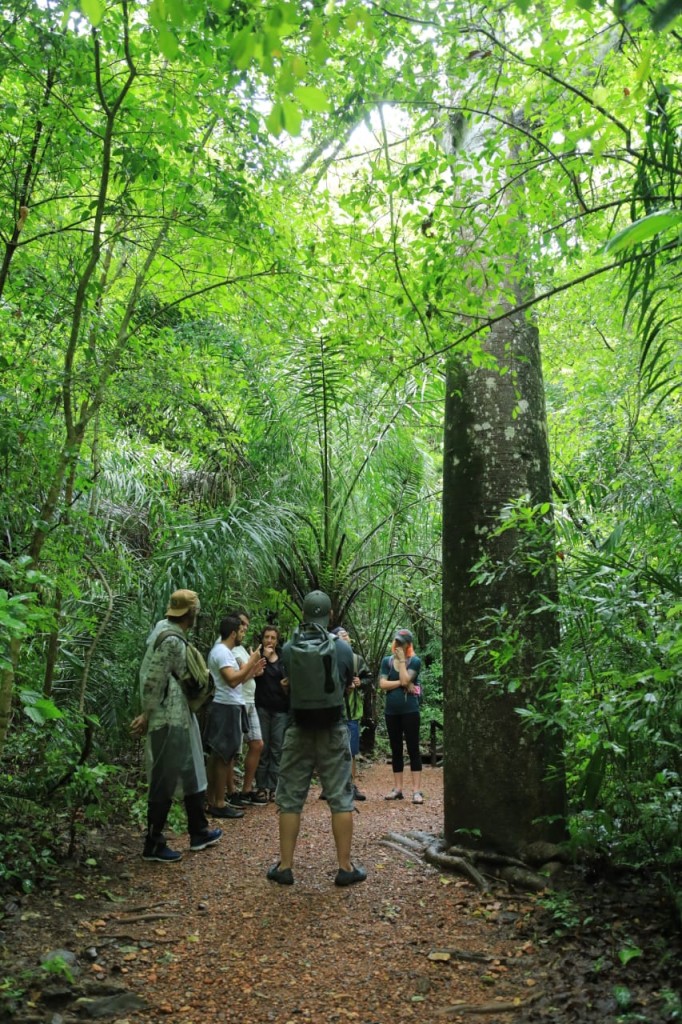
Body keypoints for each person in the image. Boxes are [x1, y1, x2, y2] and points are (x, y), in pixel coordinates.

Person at [267, 591, 367, 887]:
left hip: (298, 728)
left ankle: (285, 867)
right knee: (340, 797)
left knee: (290, 798)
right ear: (331, 614)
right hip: (333, 728)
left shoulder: (288, 648)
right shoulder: (343, 649)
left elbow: (291, 685)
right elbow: (347, 684)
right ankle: (345, 867)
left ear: (305, 613)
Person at [130, 589, 223, 862]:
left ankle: (199, 830)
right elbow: (152, 680)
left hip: (179, 716)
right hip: (167, 719)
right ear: (191, 614)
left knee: (190, 770)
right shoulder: (170, 641)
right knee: (164, 778)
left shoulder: (166, 632)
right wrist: (147, 713)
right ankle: (154, 843)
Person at [204, 614, 265, 819]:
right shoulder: (221, 652)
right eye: (241, 631)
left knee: (221, 756)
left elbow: (239, 680)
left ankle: (212, 800)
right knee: (223, 756)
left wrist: (252, 670)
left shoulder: (226, 651)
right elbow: (231, 681)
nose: (243, 634)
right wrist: (252, 661)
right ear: (232, 633)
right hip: (225, 706)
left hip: (231, 705)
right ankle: (219, 803)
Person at [379, 628, 424, 804]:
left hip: (410, 711)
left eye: (401, 643)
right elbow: (383, 684)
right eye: (396, 641)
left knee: (413, 748)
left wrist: (403, 662)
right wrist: (402, 684)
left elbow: (407, 680)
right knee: (396, 749)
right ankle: (397, 789)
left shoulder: (415, 661)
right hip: (392, 712)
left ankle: (417, 791)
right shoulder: (386, 661)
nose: (397, 645)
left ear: (408, 645)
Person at [230, 610, 267, 806]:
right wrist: (253, 666)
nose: (245, 627)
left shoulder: (242, 649)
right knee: (232, 750)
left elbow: (250, 673)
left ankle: (246, 789)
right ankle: (231, 792)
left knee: (257, 744)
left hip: (250, 700)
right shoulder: (228, 649)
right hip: (238, 702)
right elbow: (238, 677)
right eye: (242, 623)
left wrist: (255, 669)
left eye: (247, 624)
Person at [330, 626, 371, 802]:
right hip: (333, 711)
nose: (346, 638)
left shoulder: (356, 660)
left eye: (347, 636)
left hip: (352, 711)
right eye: (342, 636)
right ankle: (331, 786)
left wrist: (359, 682)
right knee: (333, 750)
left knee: (352, 750)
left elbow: (369, 678)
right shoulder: (329, 658)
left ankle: (350, 785)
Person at [254, 625, 289, 802]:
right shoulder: (257, 656)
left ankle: (274, 787)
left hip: (281, 710)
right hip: (262, 708)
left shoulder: (284, 658)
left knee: (277, 749)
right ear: (262, 639)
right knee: (263, 748)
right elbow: (250, 676)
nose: (269, 641)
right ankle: (260, 787)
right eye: (266, 637)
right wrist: (262, 658)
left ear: (277, 640)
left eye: (273, 638)